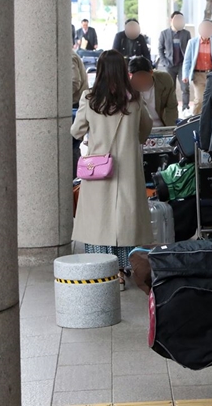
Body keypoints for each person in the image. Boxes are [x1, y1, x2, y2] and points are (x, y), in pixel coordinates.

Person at [71, 49, 154, 291]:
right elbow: (144, 132)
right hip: (126, 169)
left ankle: (104, 269)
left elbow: (76, 131)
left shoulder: (89, 98)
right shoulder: (135, 99)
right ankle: (123, 268)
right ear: (123, 71)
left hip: (98, 169)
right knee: (125, 220)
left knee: (101, 221)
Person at [182, 20, 212, 116]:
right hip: (198, 75)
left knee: (210, 100)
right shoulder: (192, 42)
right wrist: (185, 75)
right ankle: (195, 119)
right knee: (199, 100)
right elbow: (187, 60)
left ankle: (208, 120)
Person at [128, 55, 179, 127]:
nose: (142, 82)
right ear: (130, 75)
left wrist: (171, 128)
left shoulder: (164, 80)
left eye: (144, 78)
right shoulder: (126, 87)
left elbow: (171, 107)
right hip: (139, 128)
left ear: (151, 73)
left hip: (162, 125)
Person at [158, 11, 191, 111]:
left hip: (182, 64)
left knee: (185, 87)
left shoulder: (186, 33)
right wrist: (164, 61)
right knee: (169, 88)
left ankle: (185, 107)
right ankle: (171, 107)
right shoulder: (164, 33)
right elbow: (160, 48)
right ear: (171, 20)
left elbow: (190, 49)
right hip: (169, 65)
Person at [71, 49, 90, 177]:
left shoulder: (67, 56)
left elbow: (74, 83)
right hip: (74, 106)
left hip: (73, 106)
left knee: (71, 148)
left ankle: (72, 183)